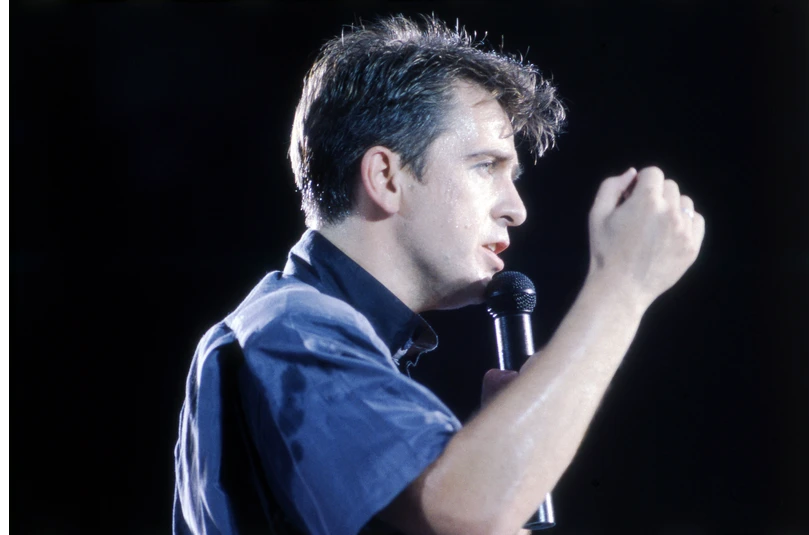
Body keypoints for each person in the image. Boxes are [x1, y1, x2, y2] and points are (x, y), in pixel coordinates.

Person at [173, 14, 705, 535]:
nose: (516, 209)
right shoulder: (293, 328)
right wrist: (622, 287)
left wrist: (502, 451)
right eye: (485, 166)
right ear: (385, 176)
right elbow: (468, 514)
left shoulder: (318, 334)